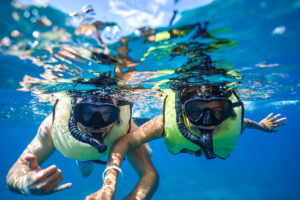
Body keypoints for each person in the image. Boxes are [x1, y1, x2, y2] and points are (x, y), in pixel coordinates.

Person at [95, 84, 287, 199]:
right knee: (145, 135)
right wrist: (109, 184)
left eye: (217, 112)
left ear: (228, 112)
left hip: (183, 144)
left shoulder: (232, 125)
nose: (207, 122)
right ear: (183, 111)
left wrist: (263, 126)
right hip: (173, 138)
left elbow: (246, 122)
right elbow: (125, 143)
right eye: (196, 112)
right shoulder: (164, 124)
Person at [6, 92, 158, 200]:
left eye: (106, 113)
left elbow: (149, 175)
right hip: (77, 150)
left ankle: (85, 157)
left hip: (114, 143)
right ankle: (84, 159)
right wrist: (25, 184)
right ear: (74, 112)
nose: (96, 125)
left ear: (116, 113)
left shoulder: (125, 127)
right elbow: (14, 172)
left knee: (148, 152)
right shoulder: (52, 127)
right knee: (85, 172)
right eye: (86, 113)